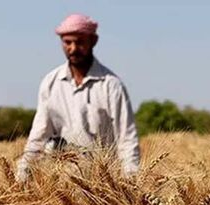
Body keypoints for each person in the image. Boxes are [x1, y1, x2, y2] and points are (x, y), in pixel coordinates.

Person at [16, 13, 140, 182]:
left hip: (104, 186)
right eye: (67, 42)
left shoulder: (111, 86)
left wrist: (130, 184)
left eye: (80, 42)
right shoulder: (51, 83)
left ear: (93, 41)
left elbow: (127, 140)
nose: (73, 48)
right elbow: (38, 137)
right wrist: (21, 177)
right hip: (62, 185)